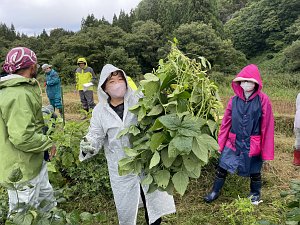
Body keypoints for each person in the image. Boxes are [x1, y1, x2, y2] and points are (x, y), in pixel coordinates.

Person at [79, 64, 176, 225]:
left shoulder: (138, 100)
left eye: (120, 79)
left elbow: (156, 116)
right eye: (112, 82)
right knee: (125, 207)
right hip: (121, 164)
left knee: (151, 199)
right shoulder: (100, 111)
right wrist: (88, 144)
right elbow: (95, 135)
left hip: (145, 160)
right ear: (104, 87)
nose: (117, 84)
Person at [204, 64, 274, 205]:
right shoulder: (234, 100)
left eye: (249, 81)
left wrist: (266, 152)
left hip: (253, 141)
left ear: (255, 83)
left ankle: (255, 194)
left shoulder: (263, 100)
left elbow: (267, 126)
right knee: (223, 165)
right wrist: (220, 144)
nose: (246, 84)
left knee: (254, 170)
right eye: (243, 80)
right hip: (233, 140)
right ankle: (215, 191)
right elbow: (225, 124)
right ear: (239, 82)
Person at [0, 47, 57, 214]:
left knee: (46, 199)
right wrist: (48, 144)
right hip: (21, 166)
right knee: (23, 213)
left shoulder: (16, 88)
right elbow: (23, 137)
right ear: (32, 66)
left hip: (33, 160)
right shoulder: (17, 94)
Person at [293, 93, 300, 166]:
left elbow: (297, 106)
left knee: (298, 140)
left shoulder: (299, 94)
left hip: (298, 121)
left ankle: (297, 160)